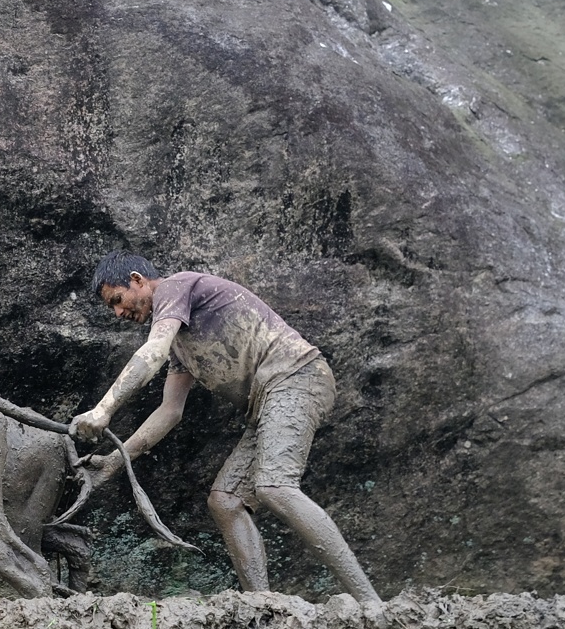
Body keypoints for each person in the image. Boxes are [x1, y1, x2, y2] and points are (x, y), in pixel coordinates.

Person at [70, 252, 380, 604]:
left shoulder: (174, 287)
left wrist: (103, 409)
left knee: (275, 486)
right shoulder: (178, 344)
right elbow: (169, 412)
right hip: (267, 404)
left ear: (138, 280)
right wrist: (114, 461)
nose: (118, 313)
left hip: (297, 376)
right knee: (225, 501)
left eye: (117, 299)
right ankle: (264, 608)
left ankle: (371, 605)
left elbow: (152, 352)